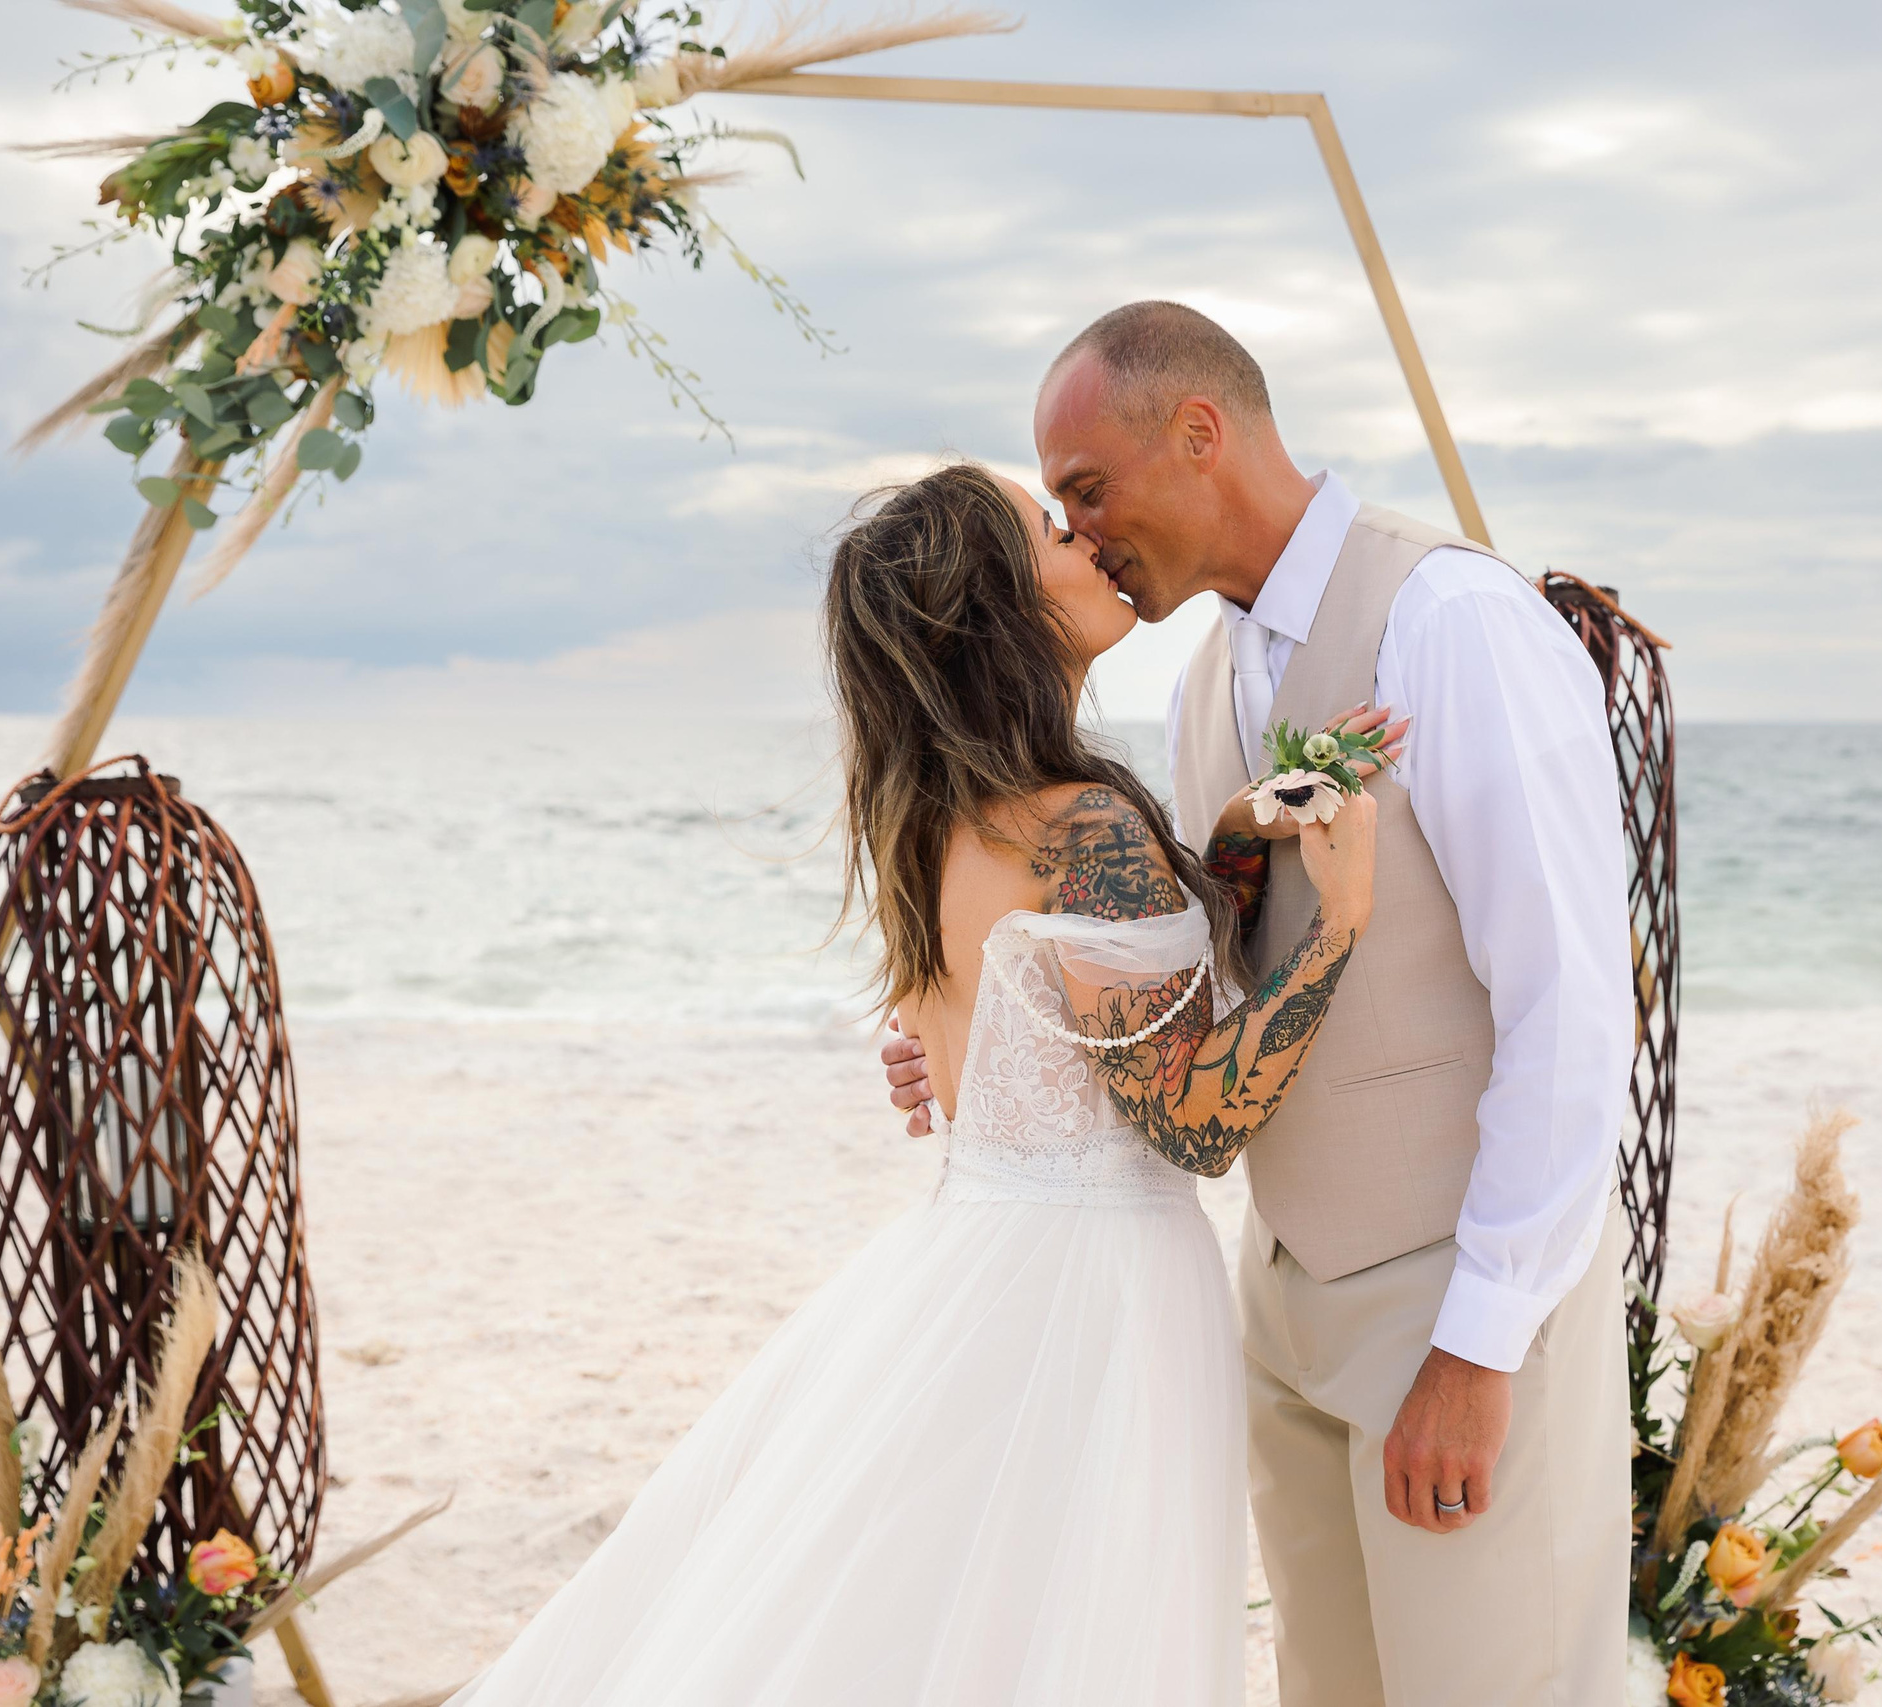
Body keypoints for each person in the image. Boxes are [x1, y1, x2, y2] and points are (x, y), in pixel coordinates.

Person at [447, 462, 1380, 1706]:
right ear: (999, 601)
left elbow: (1069, 1029)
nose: (1087, 539)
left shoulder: (946, 825)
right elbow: (1193, 1119)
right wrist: (1339, 927)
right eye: (1051, 530)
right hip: (1086, 1298)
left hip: (983, 1264)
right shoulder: (1079, 828)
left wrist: (1226, 843)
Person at [883, 302, 1635, 1705]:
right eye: (1058, 511)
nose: (1084, 530)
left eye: (1087, 491)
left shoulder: (1455, 620)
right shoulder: (1208, 677)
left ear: (1202, 433)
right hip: (1276, 1299)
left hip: (1447, 1302)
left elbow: (1574, 1008)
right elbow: (1190, 980)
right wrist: (998, 1035)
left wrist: (1479, 1345)